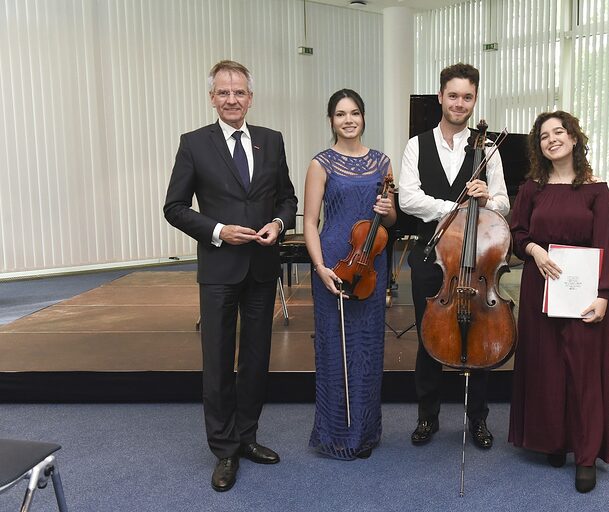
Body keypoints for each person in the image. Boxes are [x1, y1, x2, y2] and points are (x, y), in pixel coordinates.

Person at [163, 60, 297, 492]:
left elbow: (287, 197)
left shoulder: (271, 142)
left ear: (250, 98)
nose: (232, 99)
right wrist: (218, 231)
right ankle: (223, 450)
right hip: (219, 267)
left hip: (261, 266)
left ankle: (247, 437)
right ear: (212, 97)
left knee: (256, 360)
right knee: (218, 362)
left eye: (239, 92)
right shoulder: (194, 144)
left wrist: (278, 225)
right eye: (224, 92)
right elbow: (175, 207)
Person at [398, 63, 509, 449]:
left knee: (478, 338)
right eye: (453, 95)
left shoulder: (488, 149)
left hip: (476, 261)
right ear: (441, 97)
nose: (459, 103)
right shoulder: (417, 145)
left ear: (473, 99)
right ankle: (427, 417)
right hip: (432, 258)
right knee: (431, 338)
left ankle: (477, 419)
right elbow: (408, 197)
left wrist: (486, 198)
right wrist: (455, 210)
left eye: (467, 97)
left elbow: (503, 204)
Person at [507, 111, 609, 493]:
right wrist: (535, 250)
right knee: (546, 368)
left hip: (584, 291)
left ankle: (585, 455)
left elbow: (606, 245)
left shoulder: (596, 190)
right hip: (540, 285)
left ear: (574, 138)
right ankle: (554, 440)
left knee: (583, 373)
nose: (551, 139)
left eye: (559, 132)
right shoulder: (531, 189)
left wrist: (603, 295)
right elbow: (517, 233)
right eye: (543, 136)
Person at [303, 89, 395, 460]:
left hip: (371, 262)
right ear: (331, 120)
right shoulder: (320, 163)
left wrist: (389, 209)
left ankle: (364, 433)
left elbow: (389, 222)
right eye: (340, 114)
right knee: (333, 347)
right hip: (332, 261)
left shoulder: (382, 163)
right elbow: (310, 222)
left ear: (363, 117)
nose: (348, 120)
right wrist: (319, 266)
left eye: (354, 113)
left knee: (368, 348)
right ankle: (336, 433)